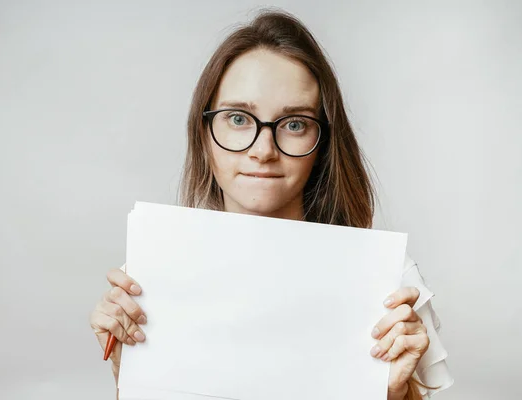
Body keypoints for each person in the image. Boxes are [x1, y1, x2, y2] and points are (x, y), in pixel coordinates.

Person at [90, 8, 454, 400]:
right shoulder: (149, 278)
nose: (263, 151)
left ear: (323, 141)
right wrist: (126, 372)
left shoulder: (391, 289)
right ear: (204, 132)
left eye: (294, 123)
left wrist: (394, 393)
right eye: (239, 119)